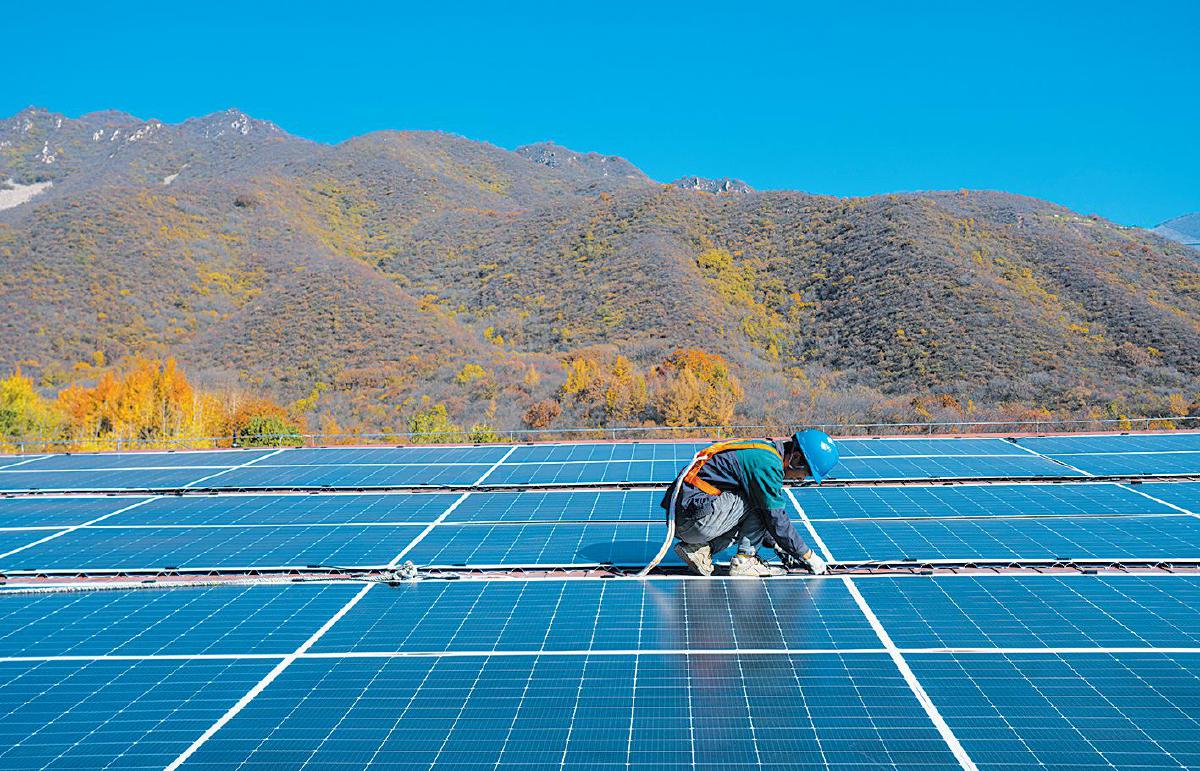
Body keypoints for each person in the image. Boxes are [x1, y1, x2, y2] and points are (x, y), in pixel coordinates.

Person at [663, 429, 838, 577]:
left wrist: (778, 545)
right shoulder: (767, 464)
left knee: (760, 499)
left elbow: (765, 523)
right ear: (796, 458)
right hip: (694, 519)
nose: (801, 479)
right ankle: (744, 562)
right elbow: (774, 518)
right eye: (806, 473)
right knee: (761, 503)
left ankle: (699, 550)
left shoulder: (766, 451)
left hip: (687, 517)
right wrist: (807, 555)